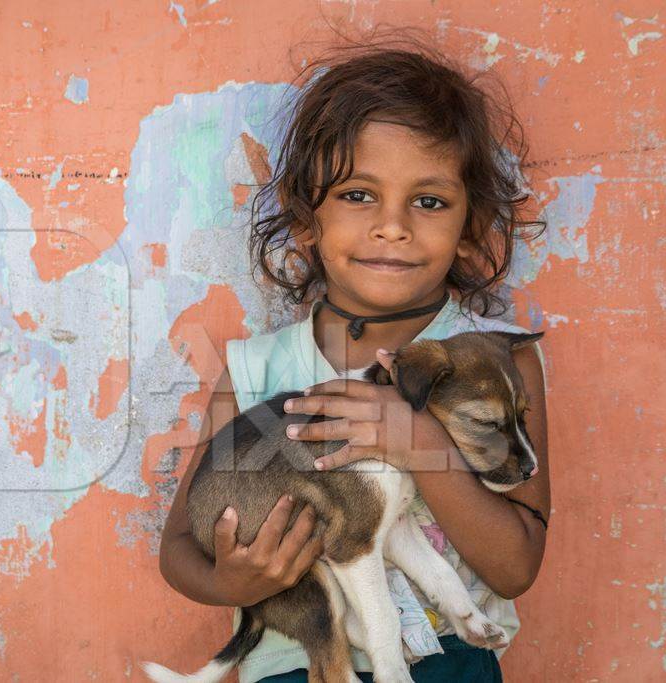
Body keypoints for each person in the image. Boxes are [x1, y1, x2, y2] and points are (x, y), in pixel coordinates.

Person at [157, 34, 552, 683]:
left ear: (471, 224)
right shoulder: (258, 369)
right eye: (358, 194)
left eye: (428, 201)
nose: (392, 224)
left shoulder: (494, 360)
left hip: (452, 665)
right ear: (305, 217)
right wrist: (228, 577)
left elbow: (515, 566)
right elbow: (179, 548)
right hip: (302, 664)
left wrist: (419, 439)